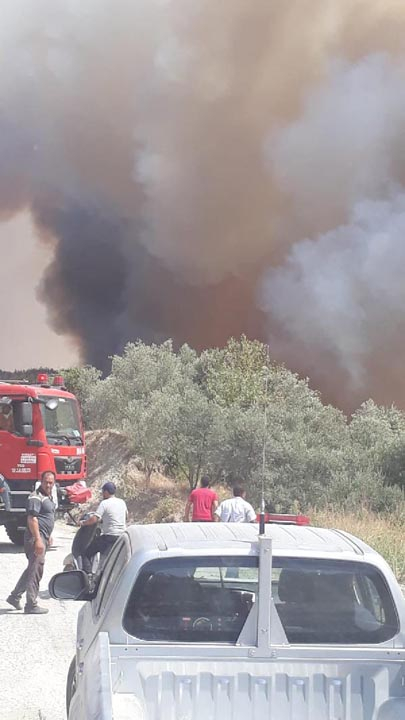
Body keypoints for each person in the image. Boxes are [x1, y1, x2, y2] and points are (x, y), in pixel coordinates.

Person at [7, 470, 56, 614]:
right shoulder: (36, 497)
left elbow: (46, 517)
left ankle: (14, 596)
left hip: (43, 536)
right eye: (46, 482)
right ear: (41, 481)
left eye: (51, 482)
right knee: (36, 570)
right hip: (35, 538)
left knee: (32, 569)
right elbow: (32, 519)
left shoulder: (48, 497)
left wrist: (49, 535)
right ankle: (31, 604)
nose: (48, 485)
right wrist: (39, 540)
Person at [81, 481, 128, 573]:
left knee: (86, 554)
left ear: (106, 492)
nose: (102, 494)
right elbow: (126, 516)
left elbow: (94, 519)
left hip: (109, 537)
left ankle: (88, 575)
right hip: (121, 537)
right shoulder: (122, 502)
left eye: (103, 492)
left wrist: (84, 523)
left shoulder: (104, 503)